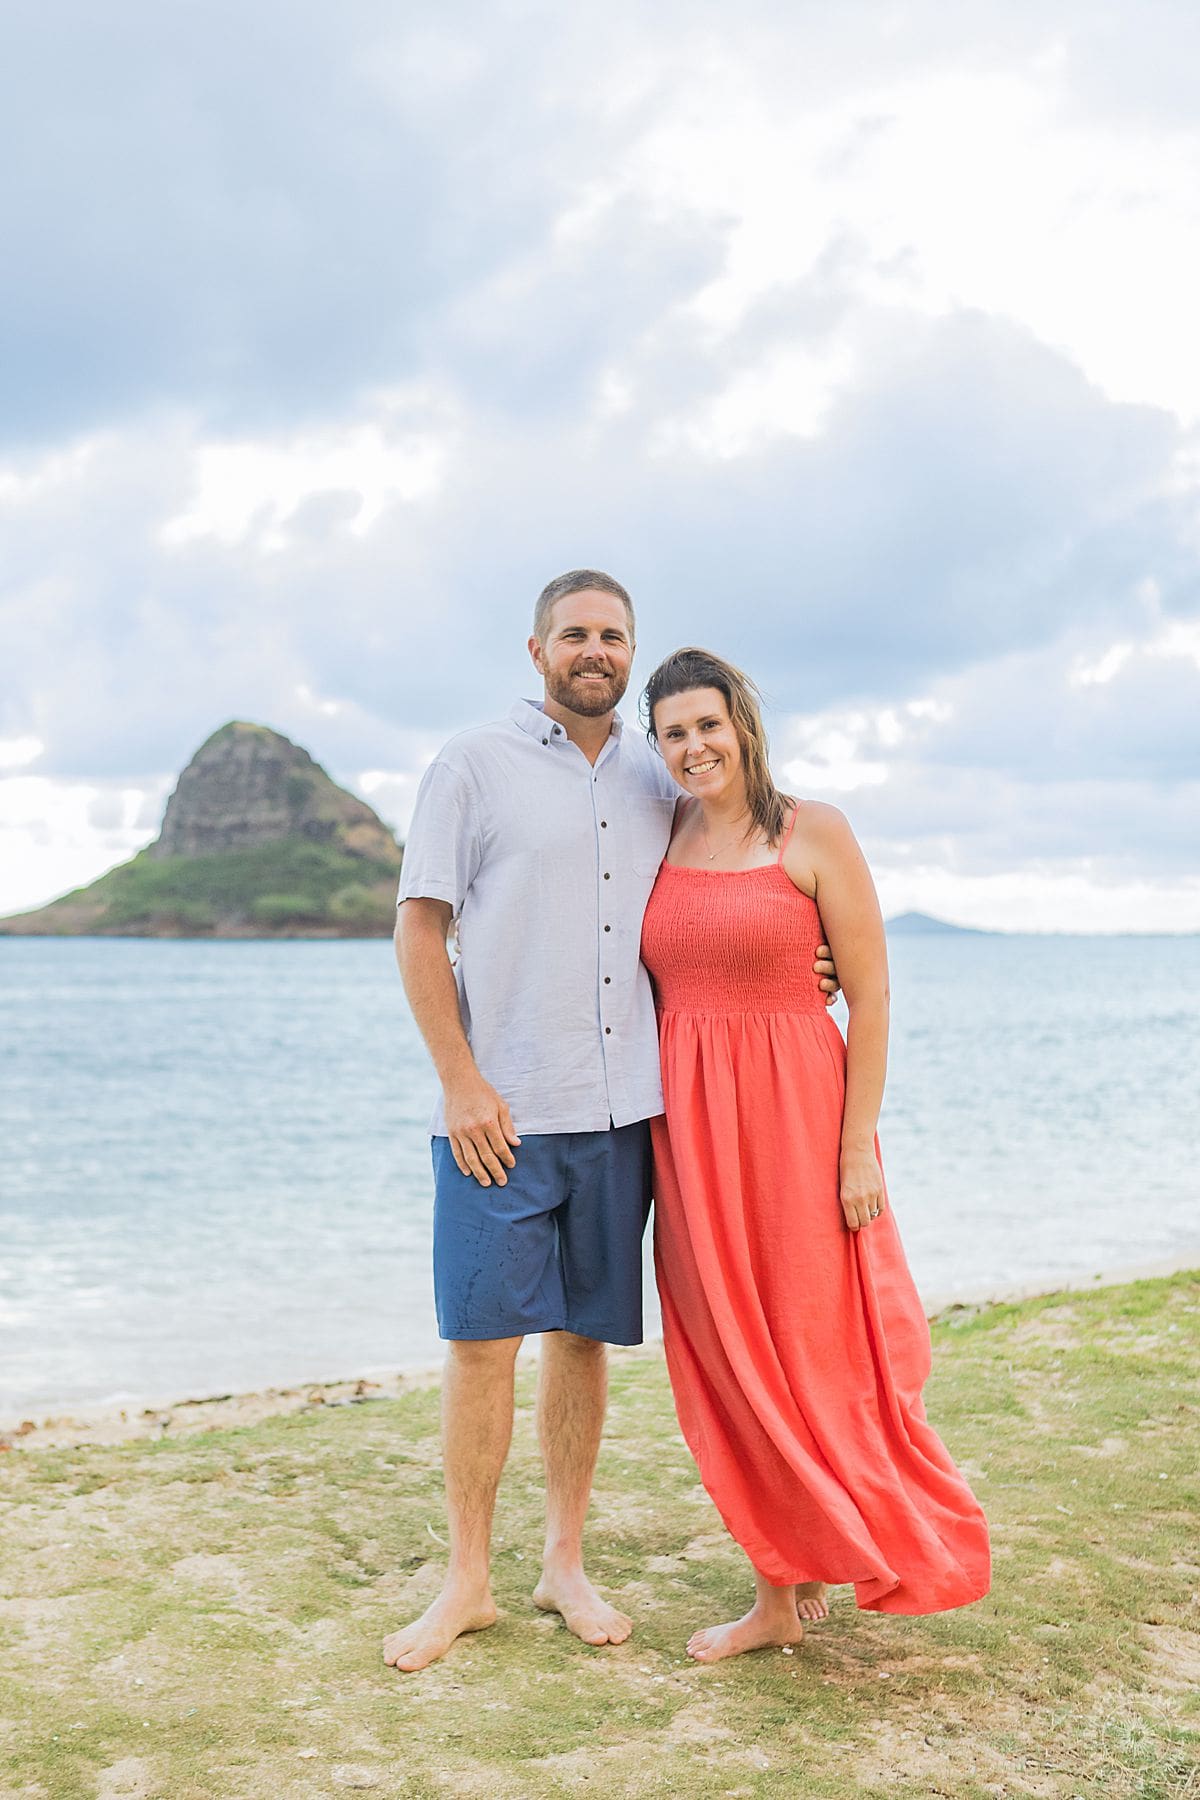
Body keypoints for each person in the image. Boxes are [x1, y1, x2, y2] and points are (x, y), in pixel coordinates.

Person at [384, 574, 840, 1673]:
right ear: (535, 647)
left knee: (584, 1341)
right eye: (576, 634)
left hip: (625, 1111)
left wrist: (800, 965)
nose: (595, 650)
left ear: (629, 654)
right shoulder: (470, 765)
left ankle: (565, 1563)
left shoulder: (659, 774)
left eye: (613, 636)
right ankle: (467, 1583)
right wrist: (458, 1082)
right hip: (499, 1113)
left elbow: (731, 888)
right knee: (482, 1345)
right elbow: (416, 929)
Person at [639, 646, 991, 1664]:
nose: (694, 746)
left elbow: (872, 996)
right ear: (657, 747)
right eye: (673, 733)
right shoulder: (663, 830)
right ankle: (781, 1591)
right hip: (691, 1136)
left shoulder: (813, 831)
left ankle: (844, 1546)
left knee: (812, 1349)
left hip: (799, 1119)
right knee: (728, 1357)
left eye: (708, 723)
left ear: (742, 722)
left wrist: (855, 1153)